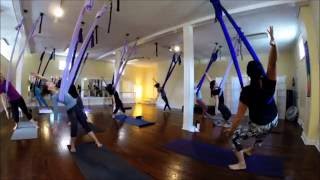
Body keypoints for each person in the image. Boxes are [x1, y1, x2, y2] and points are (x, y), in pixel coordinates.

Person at [224, 26, 278, 170]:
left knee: (235, 138)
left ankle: (242, 164)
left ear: (248, 75)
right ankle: (252, 149)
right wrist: (272, 42)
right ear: (261, 70)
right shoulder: (269, 82)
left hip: (260, 126)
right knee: (261, 132)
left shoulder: (246, 92)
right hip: (274, 121)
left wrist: (230, 132)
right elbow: (272, 64)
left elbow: (238, 118)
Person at [37, 77, 102, 152]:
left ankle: (97, 141)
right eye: (49, 83)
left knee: (85, 124)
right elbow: (55, 110)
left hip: (76, 107)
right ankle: (73, 145)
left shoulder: (60, 88)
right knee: (74, 127)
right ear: (49, 88)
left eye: (50, 82)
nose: (51, 82)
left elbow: (46, 79)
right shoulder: (54, 97)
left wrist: (38, 76)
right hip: (71, 110)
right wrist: (55, 124)